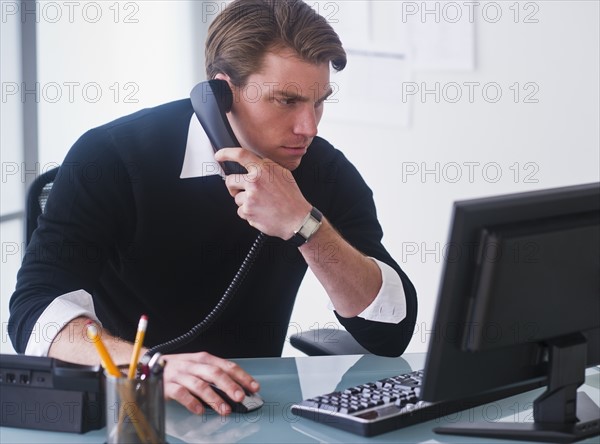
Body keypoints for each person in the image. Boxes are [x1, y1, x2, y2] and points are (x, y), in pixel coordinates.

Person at [9, 0, 417, 416]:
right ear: (222, 91)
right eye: (286, 101)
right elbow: (34, 312)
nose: (308, 127)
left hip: (252, 408)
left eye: (319, 102)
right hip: (132, 407)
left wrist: (304, 224)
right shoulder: (112, 156)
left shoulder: (322, 171)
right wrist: (152, 368)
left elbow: (389, 330)